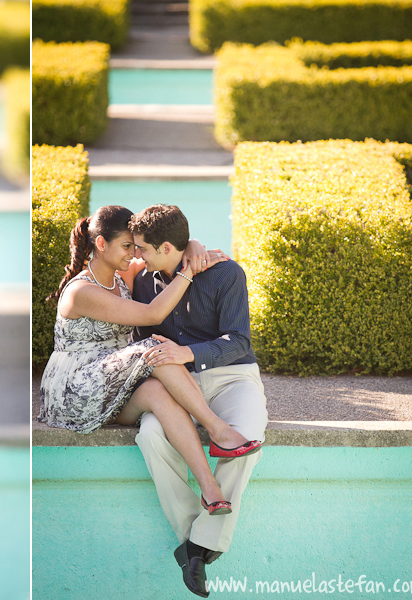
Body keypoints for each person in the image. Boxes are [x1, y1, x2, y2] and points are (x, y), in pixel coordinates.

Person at [38, 205, 261, 522]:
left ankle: (210, 489)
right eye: (128, 246)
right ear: (102, 245)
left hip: (112, 381)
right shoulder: (82, 291)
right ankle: (218, 430)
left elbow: (166, 249)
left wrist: (192, 247)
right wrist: (188, 271)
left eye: (136, 246)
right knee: (156, 347)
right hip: (76, 392)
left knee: (157, 390)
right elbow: (153, 315)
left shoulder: (122, 272)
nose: (135, 254)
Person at [130, 204, 268, 598]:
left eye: (144, 249)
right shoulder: (142, 281)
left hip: (232, 377)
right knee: (151, 436)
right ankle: (197, 537)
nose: (138, 255)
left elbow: (238, 340)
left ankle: (196, 545)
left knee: (245, 440)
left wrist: (186, 353)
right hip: (176, 386)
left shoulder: (226, 273)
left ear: (169, 247)